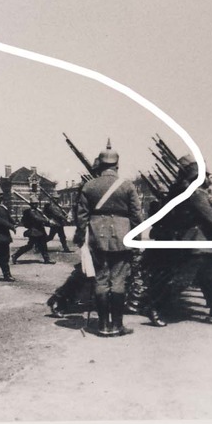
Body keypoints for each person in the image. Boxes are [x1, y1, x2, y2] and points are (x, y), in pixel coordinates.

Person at [141, 155, 212, 327]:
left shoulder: (195, 192)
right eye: (205, 175)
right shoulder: (196, 193)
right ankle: (155, 308)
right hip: (197, 245)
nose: (208, 179)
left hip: (203, 245)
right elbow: (211, 216)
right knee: (181, 281)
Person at [72, 144, 144, 337]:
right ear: (117, 164)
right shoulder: (127, 185)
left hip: (98, 238)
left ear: (100, 164)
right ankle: (118, 325)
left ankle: (103, 326)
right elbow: (137, 216)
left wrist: (81, 238)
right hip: (123, 238)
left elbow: (81, 217)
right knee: (119, 281)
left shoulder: (89, 186)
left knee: (101, 281)